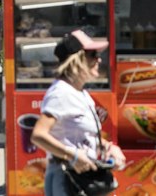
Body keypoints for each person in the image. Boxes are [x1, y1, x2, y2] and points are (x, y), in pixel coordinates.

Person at [30, 31, 125, 196]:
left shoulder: (79, 92)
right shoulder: (61, 93)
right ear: (77, 59)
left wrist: (109, 147)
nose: (99, 59)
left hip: (80, 178)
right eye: (93, 55)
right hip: (68, 178)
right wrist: (73, 156)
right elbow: (38, 135)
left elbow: (83, 135)